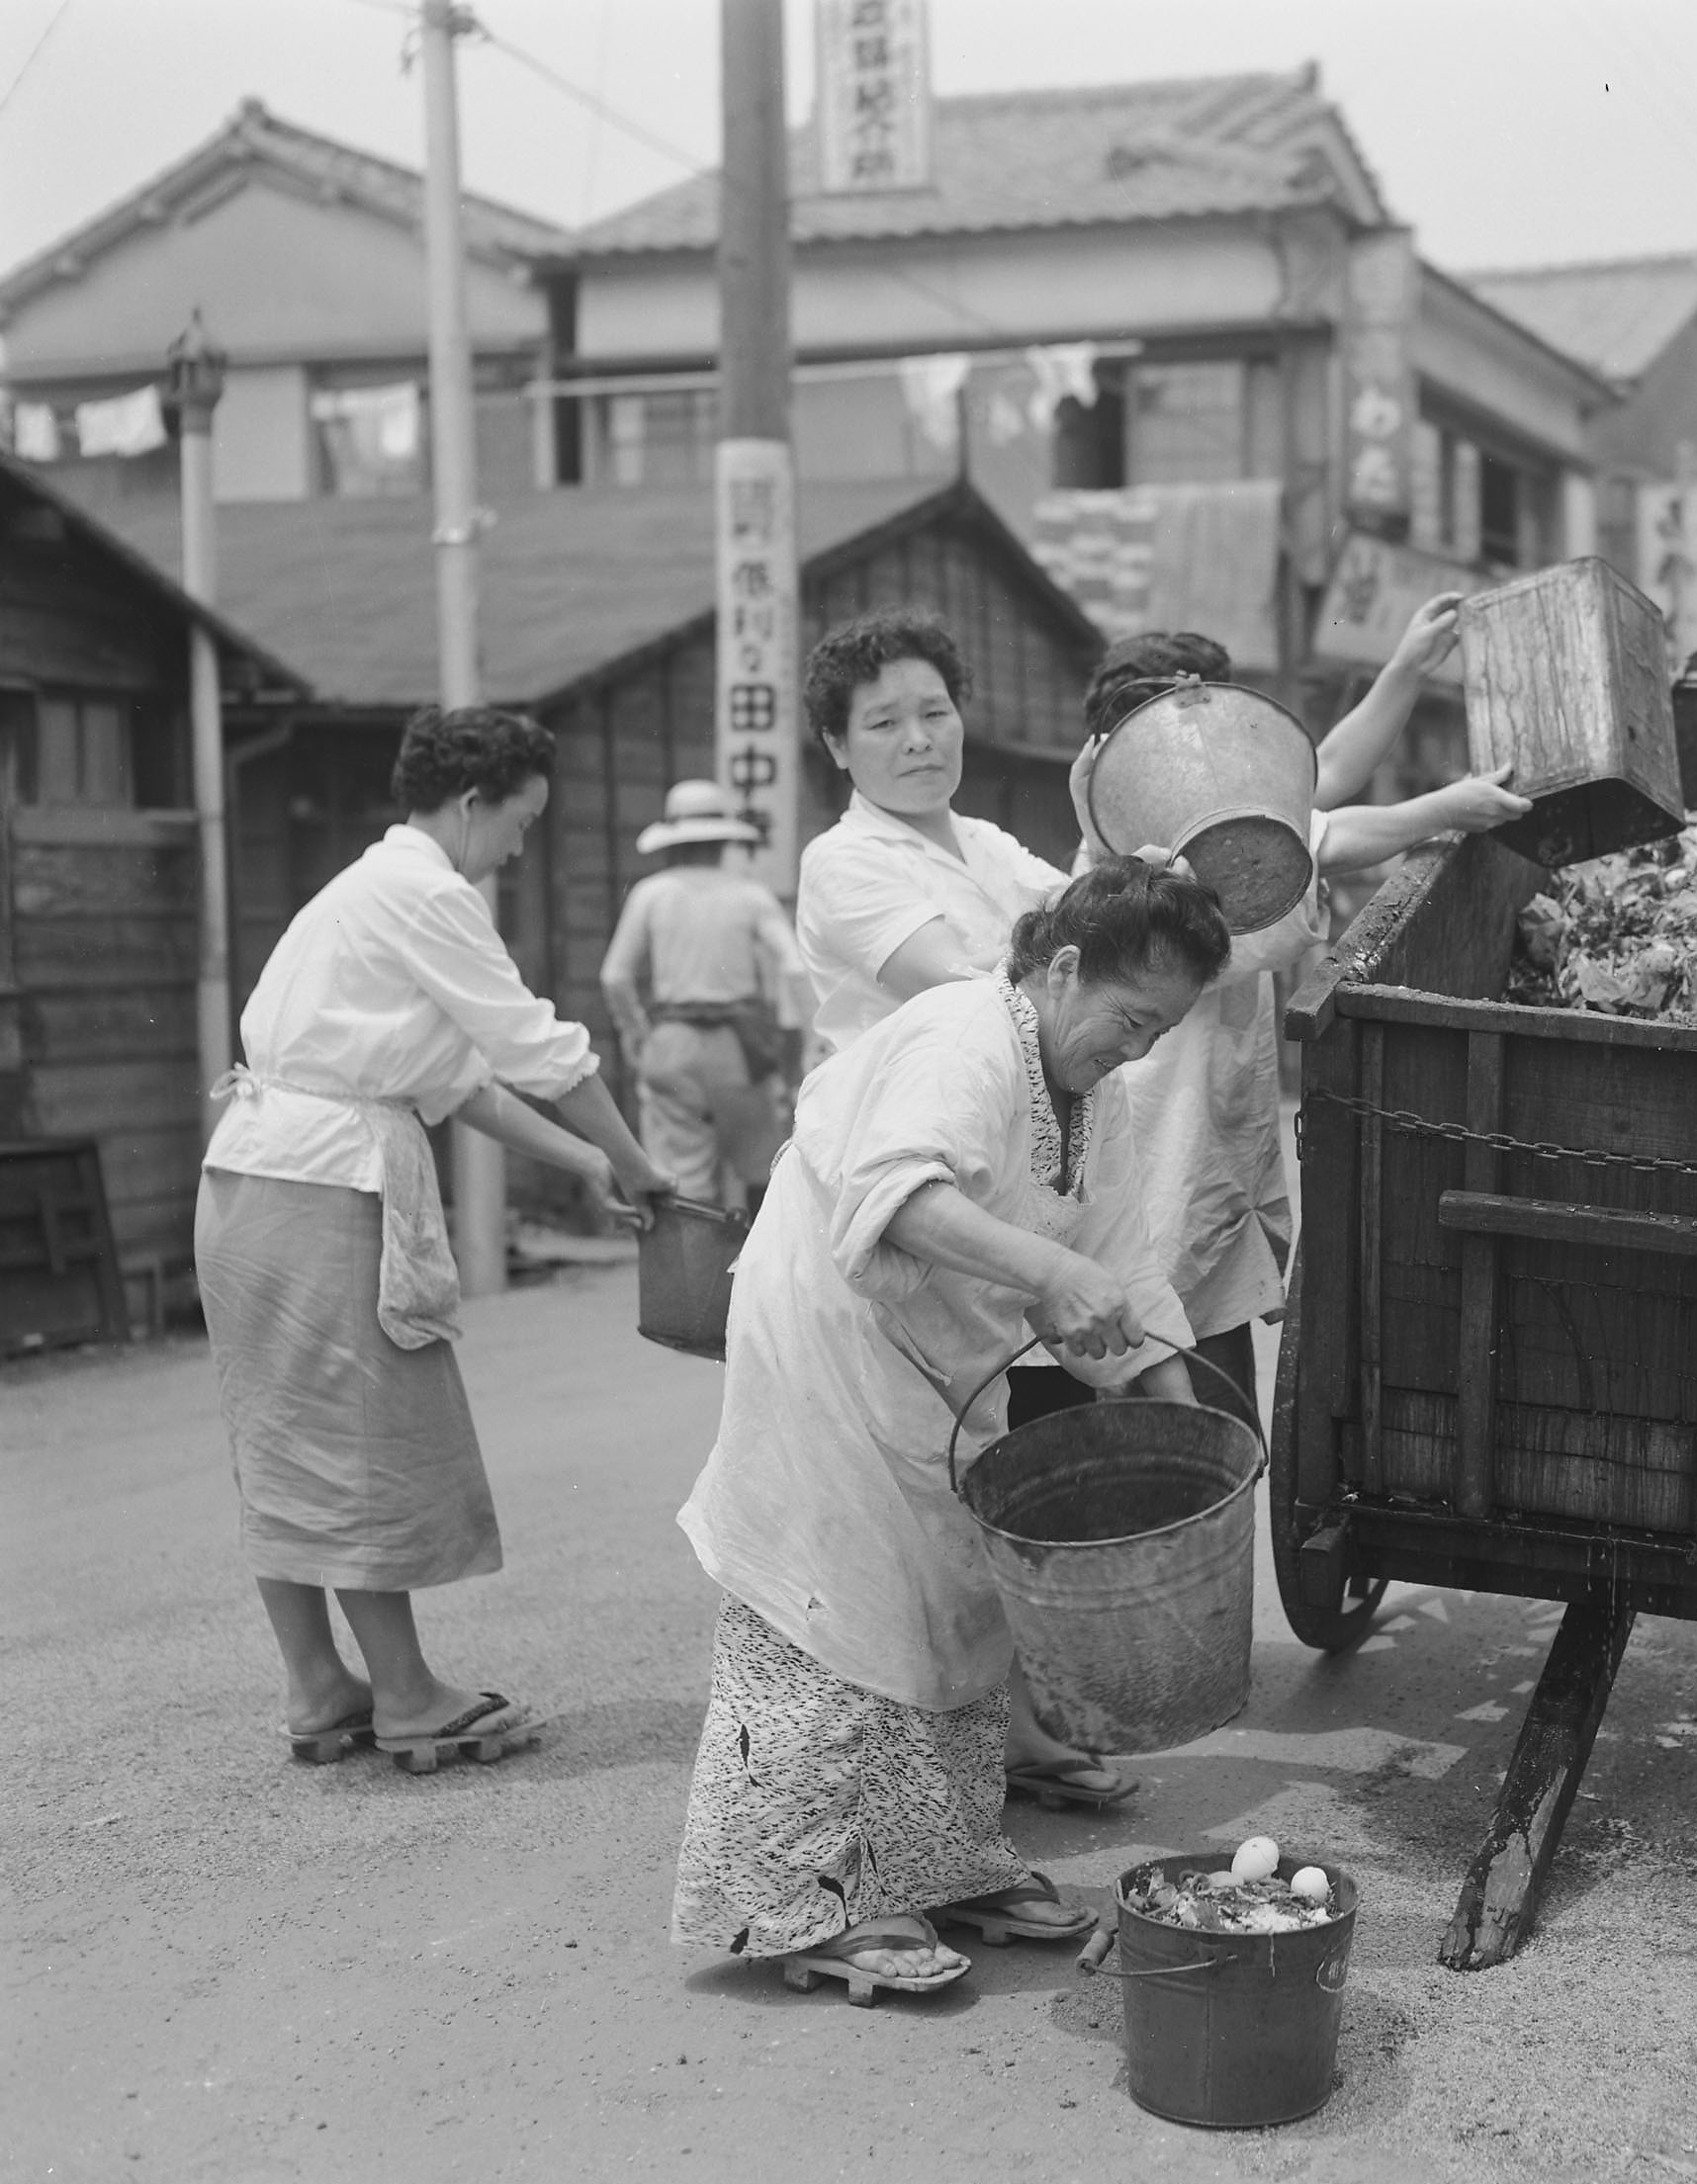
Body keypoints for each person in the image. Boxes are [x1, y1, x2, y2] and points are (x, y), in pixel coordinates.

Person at [669, 860, 1227, 2000]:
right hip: (829, 1343)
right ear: (1062, 968)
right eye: (1131, 1017)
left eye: (1161, 1030)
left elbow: (1117, 1266)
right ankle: (804, 1903)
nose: (1140, 1048)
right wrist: (1049, 1270)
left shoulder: (1093, 1092)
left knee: (957, 1601)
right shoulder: (963, 1034)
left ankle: (946, 1862)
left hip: (940, 1369)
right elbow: (898, 1195)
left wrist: (1193, 1427)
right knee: (835, 1609)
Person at [195, 706, 674, 1773]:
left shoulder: (361, 894)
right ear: (472, 803)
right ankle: (405, 1695)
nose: (520, 847)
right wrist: (636, 1159)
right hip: (322, 1182)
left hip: (248, 1176)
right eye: (521, 821)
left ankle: (321, 1687)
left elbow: (457, 1082)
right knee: (358, 1441)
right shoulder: (426, 892)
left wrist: (588, 1162)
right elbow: (539, 1050)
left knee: (282, 1444)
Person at [998, 613, 1531, 1543]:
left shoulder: (1225, 838)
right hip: (1140, 1198)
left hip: (1204, 1194)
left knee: (1200, 1410)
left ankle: (1184, 1601)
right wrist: (1443, 808)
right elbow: (1323, 837)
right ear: (1108, 763)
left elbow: (1312, 790)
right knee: (1119, 1431)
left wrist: (1404, 671)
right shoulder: (1126, 892)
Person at [794, 608, 1069, 1058]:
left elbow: (1077, 908)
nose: (919, 739)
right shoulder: (840, 858)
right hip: (907, 1113)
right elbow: (955, 980)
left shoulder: (988, 840)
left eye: (936, 713)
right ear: (837, 745)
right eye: (885, 723)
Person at [598, 780, 804, 1209]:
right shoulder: (751, 895)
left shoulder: (651, 893)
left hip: (671, 1044)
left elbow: (615, 976)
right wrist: (794, 1039)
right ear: (723, 841)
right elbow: (793, 965)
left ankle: (692, 1273)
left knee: (682, 1178)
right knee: (763, 1169)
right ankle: (759, 1267)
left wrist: (637, 1034)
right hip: (741, 1048)